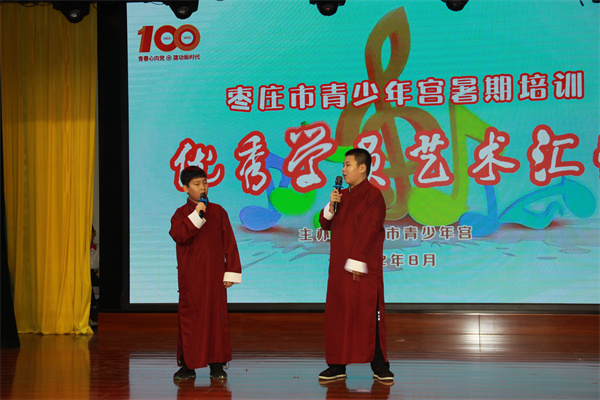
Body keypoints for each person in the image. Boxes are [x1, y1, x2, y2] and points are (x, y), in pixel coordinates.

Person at [318, 148, 394, 382]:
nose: (343, 169)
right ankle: (337, 365)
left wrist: (357, 259)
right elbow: (325, 225)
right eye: (343, 165)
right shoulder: (342, 195)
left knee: (368, 315)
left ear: (363, 168)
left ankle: (380, 365)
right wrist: (331, 206)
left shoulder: (374, 195)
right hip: (339, 268)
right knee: (339, 316)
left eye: (348, 165)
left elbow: (370, 229)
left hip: (363, 269)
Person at [169, 166, 242, 381]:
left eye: (205, 183)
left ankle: (217, 365)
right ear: (185, 188)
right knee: (190, 320)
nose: (203, 188)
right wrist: (197, 215)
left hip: (215, 277)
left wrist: (231, 271)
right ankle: (188, 366)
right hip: (191, 278)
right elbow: (179, 235)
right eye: (197, 184)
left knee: (216, 320)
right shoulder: (181, 214)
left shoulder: (218, 211)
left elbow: (229, 242)